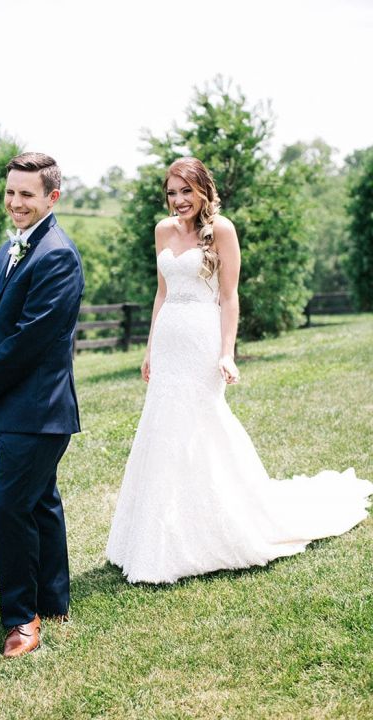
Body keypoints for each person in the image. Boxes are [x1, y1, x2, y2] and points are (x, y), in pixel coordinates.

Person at [106, 156, 372, 584]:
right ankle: (156, 533)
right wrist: (150, 348)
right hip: (170, 340)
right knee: (162, 428)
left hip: (202, 340)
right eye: (171, 193)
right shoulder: (162, 230)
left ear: (202, 189)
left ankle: (224, 522)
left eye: (185, 191)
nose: (178, 201)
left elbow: (229, 298)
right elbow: (162, 293)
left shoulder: (222, 230)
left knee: (203, 423)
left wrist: (227, 353)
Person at [0, 152, 84, 657]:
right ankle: (53, 599)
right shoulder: (9, 248)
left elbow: (30, 340)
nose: (15, 202)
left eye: (27, 194)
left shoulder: (57, 255)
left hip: (39, 409)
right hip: (16, 404)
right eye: (11, 192)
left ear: (52, 197)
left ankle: (22, 619)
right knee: (40, 502)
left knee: (12, 508)